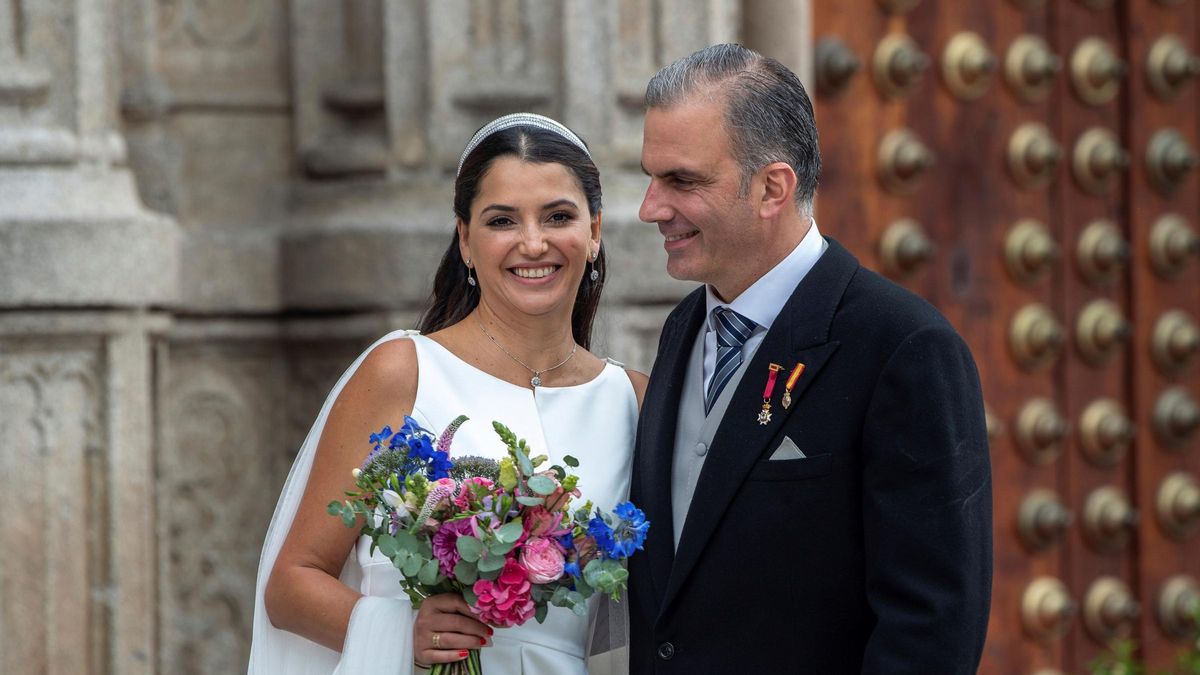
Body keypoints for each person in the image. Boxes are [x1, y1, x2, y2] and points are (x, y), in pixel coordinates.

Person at [627, 44, 992, 673]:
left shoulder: (903, 346)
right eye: (650, 177)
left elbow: (932, 628)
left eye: (682, 181)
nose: (650, 208)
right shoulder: (685, 325)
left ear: (773, 187)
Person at [248, 113, 647, 675]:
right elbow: (290, 584)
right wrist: (400, 629)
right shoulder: (405, 370)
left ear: (595, 230)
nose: (533, 243)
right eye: (502, 220)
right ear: (464, 239)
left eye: (558, 216)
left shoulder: (635, 400)